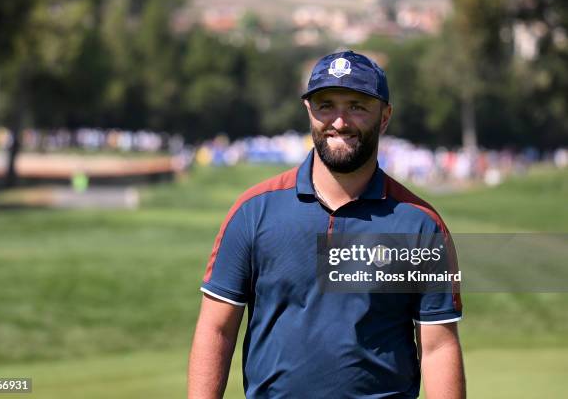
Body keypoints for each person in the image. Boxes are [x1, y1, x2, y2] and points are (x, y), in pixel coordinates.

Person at [188, 51, 465, 398]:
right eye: (326, 105)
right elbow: (216, 330)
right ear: (309, 111)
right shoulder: (254, 211)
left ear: (384, 116)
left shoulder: (419, 225)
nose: (339, 121)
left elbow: (438, 347)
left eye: (357, 106)